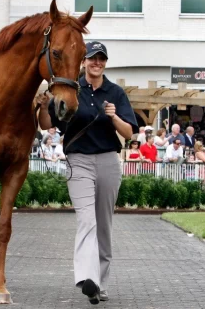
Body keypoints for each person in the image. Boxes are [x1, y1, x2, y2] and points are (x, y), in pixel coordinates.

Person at [38, 40, 137, 304]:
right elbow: (47, 123)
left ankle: (100, 285)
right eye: (92, 58)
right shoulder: (71, 89)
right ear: (83, 61)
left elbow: (128, 132)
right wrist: (42, 104)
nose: (97, 62)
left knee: (104, 225)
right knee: (87, 220)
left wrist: (114, 117)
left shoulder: (115, 92)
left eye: (101, 58)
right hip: (78, 160)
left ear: (105, 62)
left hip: (107, 160)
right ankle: (86, 278)